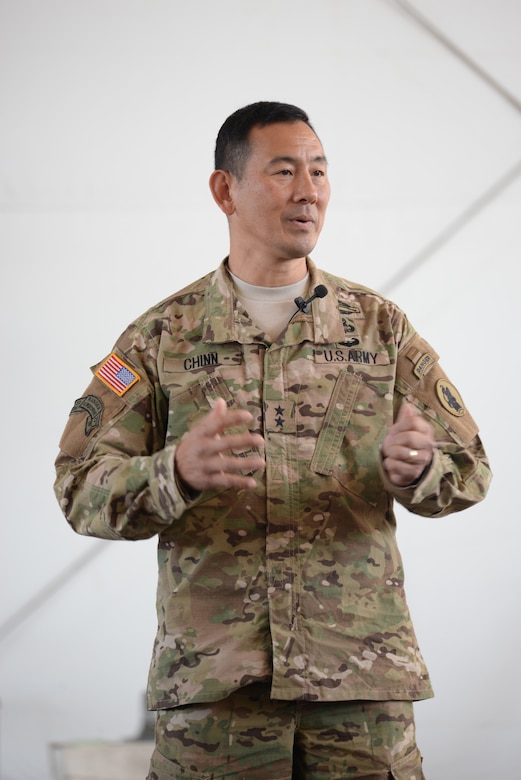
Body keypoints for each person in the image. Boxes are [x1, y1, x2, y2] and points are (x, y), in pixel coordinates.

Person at [54, 101, 491, 780]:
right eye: (283, 170)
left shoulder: (380, 328)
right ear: (224, 190)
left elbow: (469, 468)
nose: (308, 189)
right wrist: (175, 472)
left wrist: (423, 469)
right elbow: (79, 485)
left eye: (318, 170)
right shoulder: (158, 338)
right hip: (216, 698)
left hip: (360, 688)